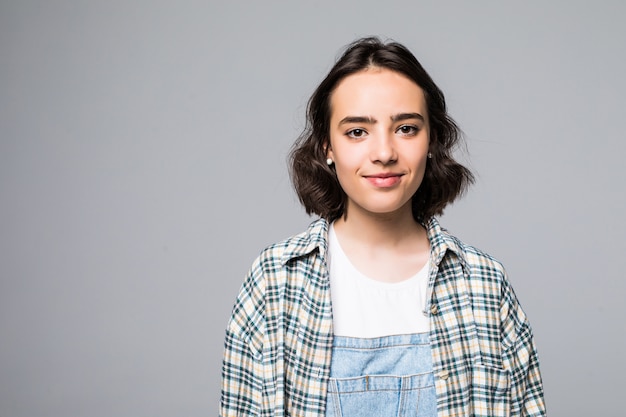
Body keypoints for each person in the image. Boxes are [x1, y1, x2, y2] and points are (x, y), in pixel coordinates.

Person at [220, 37, 546, 417]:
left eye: (406, 128)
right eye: (357, 131)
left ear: (431, 140)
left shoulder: (484, 285)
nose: (384, 152)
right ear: (327, 146)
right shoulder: (275, 282)